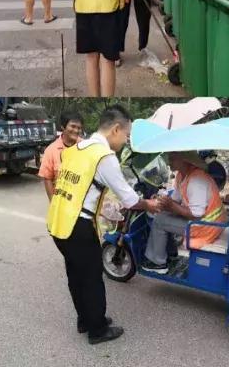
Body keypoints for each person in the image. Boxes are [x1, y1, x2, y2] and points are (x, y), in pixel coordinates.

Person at [46, 105, 162, 344]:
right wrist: (149, 204)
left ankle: (85, 319)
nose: (126, 141)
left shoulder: (77, 148)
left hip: (59, 220)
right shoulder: (104, 156)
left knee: (75, 273)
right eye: (127, 135)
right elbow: (130, 199)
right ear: (116, 129)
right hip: (78, 225)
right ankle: (97, 330)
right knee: (91, 277)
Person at [140, 151, 228, 273]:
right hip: (206, 222)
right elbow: (175, 200)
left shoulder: (196, 180)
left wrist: (171, 206)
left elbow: (196, 215)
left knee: (159, 221)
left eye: (172, 159)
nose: (169, 162)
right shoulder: (182, 175)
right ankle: (170, 253)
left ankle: (157, 263)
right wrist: (161, 202)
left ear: (185, 160)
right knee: (162, 215)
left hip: (207, 226)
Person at [39, 111, 84, 200]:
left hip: (80, 201)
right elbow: (47, 178)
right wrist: (53, 202)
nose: (76, 130)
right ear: (63, 127)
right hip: (61, 200)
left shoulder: (85, 147)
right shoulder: (51, 150)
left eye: (79, 128)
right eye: (73, 126)